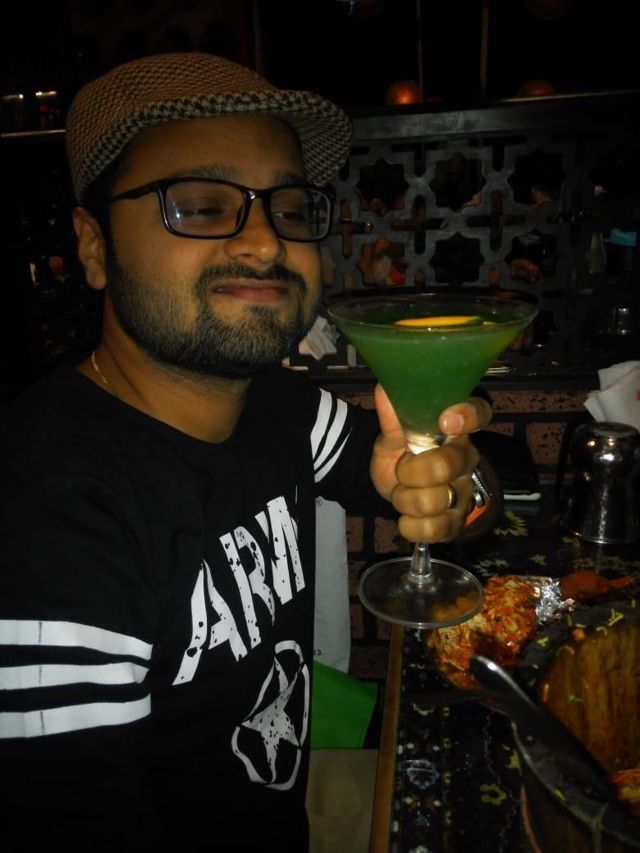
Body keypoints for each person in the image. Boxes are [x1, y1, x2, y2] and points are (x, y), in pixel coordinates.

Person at [0, 52, 497, 851]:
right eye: (200, 205)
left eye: (291, 208)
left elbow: (464, 505)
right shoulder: (48, 518)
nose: (266, 243)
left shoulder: (278, 404)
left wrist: (454, 484)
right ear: (93, 246)